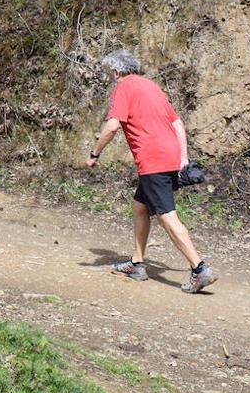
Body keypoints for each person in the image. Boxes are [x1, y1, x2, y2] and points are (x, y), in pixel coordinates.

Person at [86, 48, 217, 294]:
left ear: (115, 71)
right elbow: (176, 122)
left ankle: (199, 269)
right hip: (171, 154)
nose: (107, 78)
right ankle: (137, 263)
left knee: (167, 216)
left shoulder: (123, 88)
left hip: (153, 160)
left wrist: (94, 154)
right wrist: (183, 156)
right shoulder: (151, 86)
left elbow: (112, 126)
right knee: (139, 206)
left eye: (107, 73)